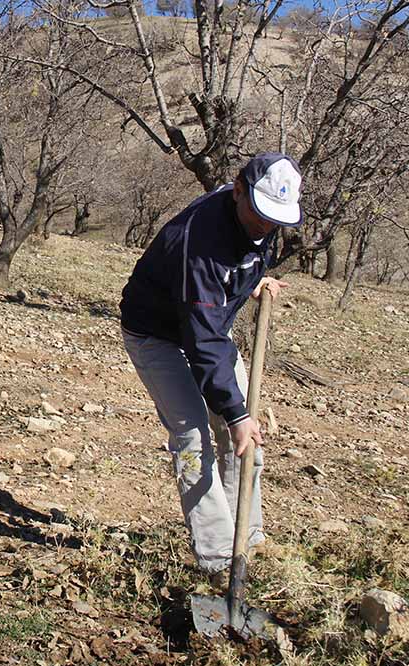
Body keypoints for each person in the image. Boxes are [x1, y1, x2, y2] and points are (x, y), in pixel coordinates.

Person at [119, 152, 302, 583]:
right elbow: (200, 334)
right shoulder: (198, 242)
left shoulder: (259, 221)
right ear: (238, 190)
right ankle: (220, 558)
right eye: (260, 213)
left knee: (243, 437)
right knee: (193, 436)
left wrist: (251, 281)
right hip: (157, 335)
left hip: (205, 331)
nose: (266, 225)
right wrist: (235, 412)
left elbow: (236, 264)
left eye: (276, 219)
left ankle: (248, 537)